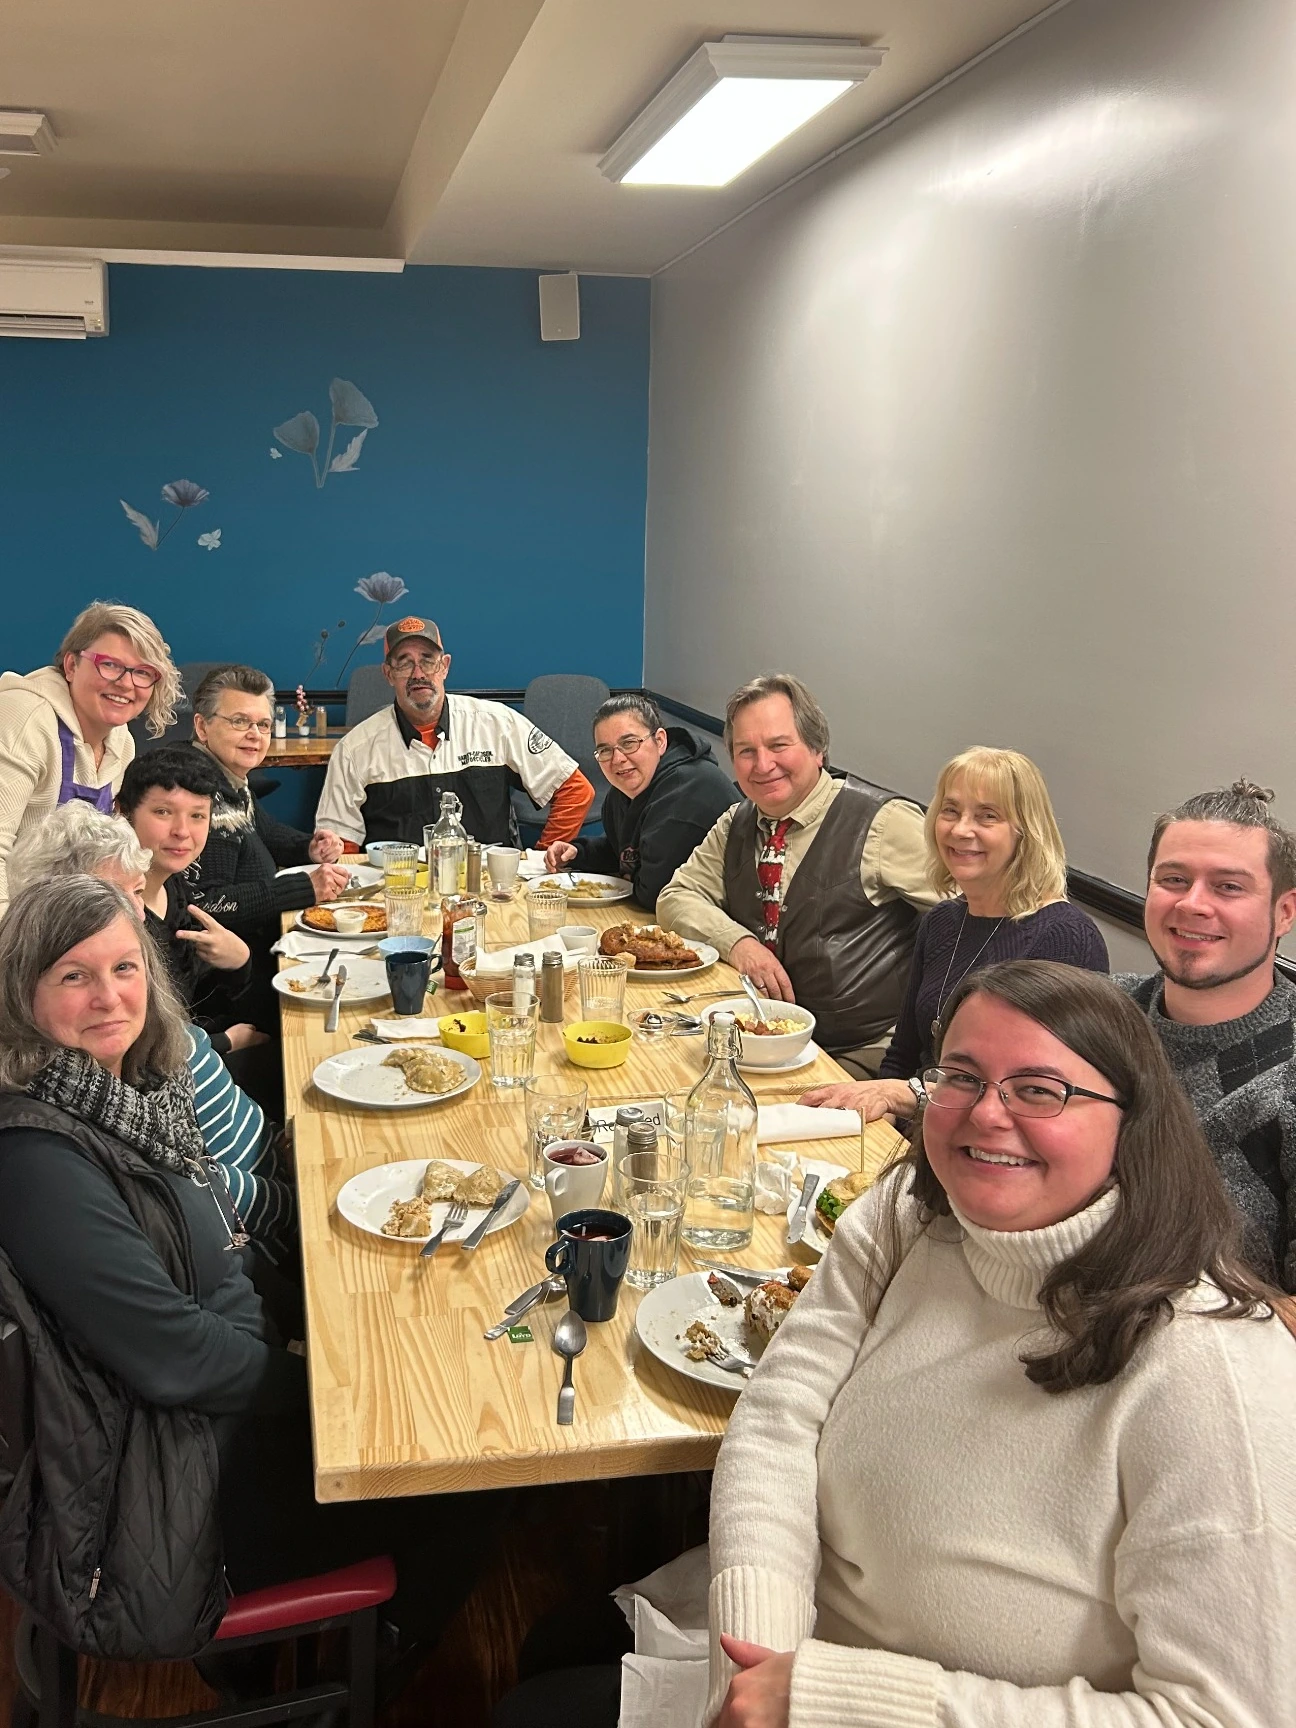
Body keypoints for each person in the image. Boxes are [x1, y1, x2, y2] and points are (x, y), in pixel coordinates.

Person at [705, 960, 1296, 1728]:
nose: (987, 1115)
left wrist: (832, 1701)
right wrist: (755, 1652)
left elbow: (1227, 1714)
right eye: (962, 1076)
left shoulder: (1207, 1370)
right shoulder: (908, 1214)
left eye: (1040, 1090)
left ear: (1133, 1120)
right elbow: (777, 1420)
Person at [0, 877, 495, 1651]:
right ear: (21, 994)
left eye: (125, 968)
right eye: (73, 975)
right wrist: (330, 1398)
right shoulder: (37, 1158)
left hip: (199, 1419)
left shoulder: (129, 1090)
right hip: (161, 1500)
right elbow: (177, 1361)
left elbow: (212, 1271)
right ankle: (352, 1680)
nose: (109, 997)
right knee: (473, 1474)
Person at [6, 802, 294, 1265]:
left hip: (275, 1167)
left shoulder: (145, 1012)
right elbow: (193, 1184)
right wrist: (295, 1202)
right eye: (114, 898)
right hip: (264, 1228)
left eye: (137, 892)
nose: (136, 914)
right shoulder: (70, 1087)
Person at [801, 747, 1108, 1119]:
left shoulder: (1064, 937)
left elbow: (1035, 1095)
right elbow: (903, 1052)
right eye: (950, 811)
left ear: (1025, 832)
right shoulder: (942, 921)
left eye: (987, 816)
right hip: (924, 1130)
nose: (961, 830)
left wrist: (904, 1096)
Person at [656, 674, 938, 1074]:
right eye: (746, 751)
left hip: (860, 1053)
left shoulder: (883, 823)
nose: (763, 764)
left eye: (778, 745)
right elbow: (676, 897)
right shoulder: (736, 823)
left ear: (817, 747)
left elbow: (973, 917)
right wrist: (738, 943)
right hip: (761, 1039)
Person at [1118, 779, 1296, 1292]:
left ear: (1284, 912)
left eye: (1228, 886)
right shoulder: (1099, 1014)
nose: (1193, 904)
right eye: (1173, 879)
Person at [315, 615, 596, 849]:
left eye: (428, 660)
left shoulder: (498, 723)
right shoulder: (355, 749)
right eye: (404, 662)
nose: (418, 673)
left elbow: (575, 791)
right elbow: (341, 841)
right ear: (388, 674)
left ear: (445, 667)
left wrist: (541, 859)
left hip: (487, 890)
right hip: (398, 893)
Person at [0, 601, 180, 909]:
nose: (126, 683)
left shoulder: (121, 742)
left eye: (142, 672)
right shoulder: (25, 717)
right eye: (109, 664)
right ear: (71, 666)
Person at [186, 663, 351, 935]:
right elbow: (208, 904)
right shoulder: (196, 793)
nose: (254, 734)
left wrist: (309, 847)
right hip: (238, 970)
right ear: (202, 727)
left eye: (263, 724)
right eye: (239, 721)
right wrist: (303, 888)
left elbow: (266, 831)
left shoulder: (227, 777)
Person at [115, 748, 260, 1056]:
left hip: (195, 1048)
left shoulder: (174, 886)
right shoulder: (117, 912)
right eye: (163, 812)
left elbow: (194, 1002)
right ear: (124, 813)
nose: (182, 832)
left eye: (197, 815)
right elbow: (135, 1041)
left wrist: (239, 961)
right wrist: (226, 1043)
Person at [543, 695, 736, 910]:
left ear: (660, 741)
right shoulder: (627, 789)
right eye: (605, 750)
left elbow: (654, 894)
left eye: (629, 743)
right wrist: (579, 853)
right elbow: (627, 850)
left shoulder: (688, 791)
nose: (618, 759)